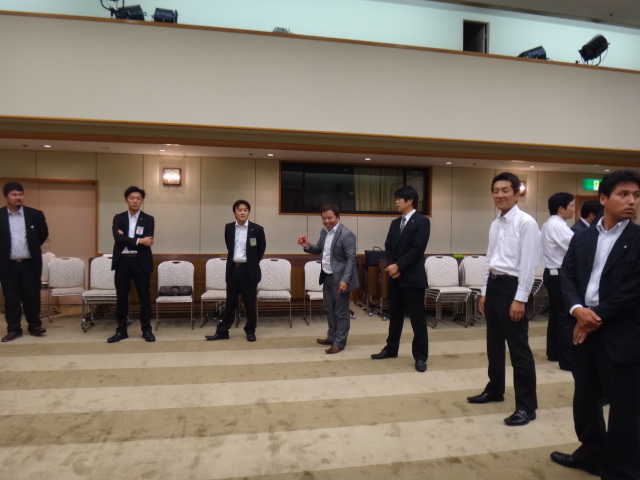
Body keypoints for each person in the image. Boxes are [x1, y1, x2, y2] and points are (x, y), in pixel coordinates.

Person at [551, 169, 640, 479]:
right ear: (603, 199)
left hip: (620, 331)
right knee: (585, 396)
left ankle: (621, 468)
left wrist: (595, 317)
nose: (632, 201)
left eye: (636, 195)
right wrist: (577, 309)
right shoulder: (583, 236)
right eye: (623, 194)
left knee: (625, 404)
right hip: (583, 328)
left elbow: (634, 288)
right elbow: (568, 275)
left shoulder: (637, 239)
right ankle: (591, 453)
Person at [467, 172, 540, 426]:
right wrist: (484, 291)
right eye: (495, 191)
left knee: (519, 349)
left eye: (505, 190)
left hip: (513, 288)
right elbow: (490, 259)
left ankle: (527, 406)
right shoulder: (495, 223)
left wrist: (520, 298)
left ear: (517, 193)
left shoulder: (526, 223)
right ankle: (495, 389)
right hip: (495, 285)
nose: (500, 195)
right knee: (494, 344)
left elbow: (529, 264)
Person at [371, 186, 430, 373]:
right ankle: (391, 349)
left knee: (417, 319)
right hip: (395, 277)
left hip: (412, 278)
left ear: (410, 200)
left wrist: (398, 266)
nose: (396, 202)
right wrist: (392, 267)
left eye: (399, 199)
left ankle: (420, 356)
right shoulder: (395, 223)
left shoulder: (422, 221)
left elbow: (417, 249)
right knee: (394, 317)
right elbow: (388, 246)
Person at [298, 204, 358, 354]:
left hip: (341, 279)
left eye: (330, 218)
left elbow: (351, 259)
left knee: (341, 312)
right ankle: (331, 337)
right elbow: (319, 249)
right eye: (324, 218)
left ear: (338, 217)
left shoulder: (347, 235)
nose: (326, 221)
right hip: (327, 276)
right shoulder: (324, 232)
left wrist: (345, 280)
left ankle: (339, 343)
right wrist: (307, 246)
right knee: (329, 310)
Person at [205, 200, 266, 342]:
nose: (242, 212)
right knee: (230, 302)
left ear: (249, 212)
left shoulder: (257, 229)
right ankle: (222, 331)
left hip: (248, 270)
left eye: (245, 210)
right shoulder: (229, 228)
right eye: (239, 210)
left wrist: (251, 263)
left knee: (250, 303)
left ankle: (250, 331)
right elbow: (229, 246)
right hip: (233, 269)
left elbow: (261, 249)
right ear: (234, 213)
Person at [0, 182, 49, 342]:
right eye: (14, 195)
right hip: (8, 265)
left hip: (30, 264)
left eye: (20, 194)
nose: (18, 197)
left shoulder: (35, 214)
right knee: (11, 299)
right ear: (6, 197)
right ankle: (14, 329)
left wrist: (31, 247)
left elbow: (43, 234)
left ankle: (35, 326)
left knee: (32, 296)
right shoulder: (1, 215)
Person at [108, 186, 155, 343]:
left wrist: (127, 238)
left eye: (138, 198)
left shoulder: (148, 219)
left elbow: (148, 241)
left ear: (142, 201)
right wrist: (139, 240)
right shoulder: (118, 218)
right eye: (132, 198)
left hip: (140, 262)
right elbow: (118, 239)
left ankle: (146, 330)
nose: (135, 201)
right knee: (121, 297)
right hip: (122, 261)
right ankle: (121, 331)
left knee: (144, 297)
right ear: (126, 200)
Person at [540, 192, 575, 371]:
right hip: (558, 274)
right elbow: (576, 247)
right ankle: (566, 359)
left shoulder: (549, 224)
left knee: (555, 316)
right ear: (561, 208)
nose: (574, 209)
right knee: (564, 317)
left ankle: (553, 352)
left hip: (551, 273)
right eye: (572, 206)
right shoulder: (558, 226)